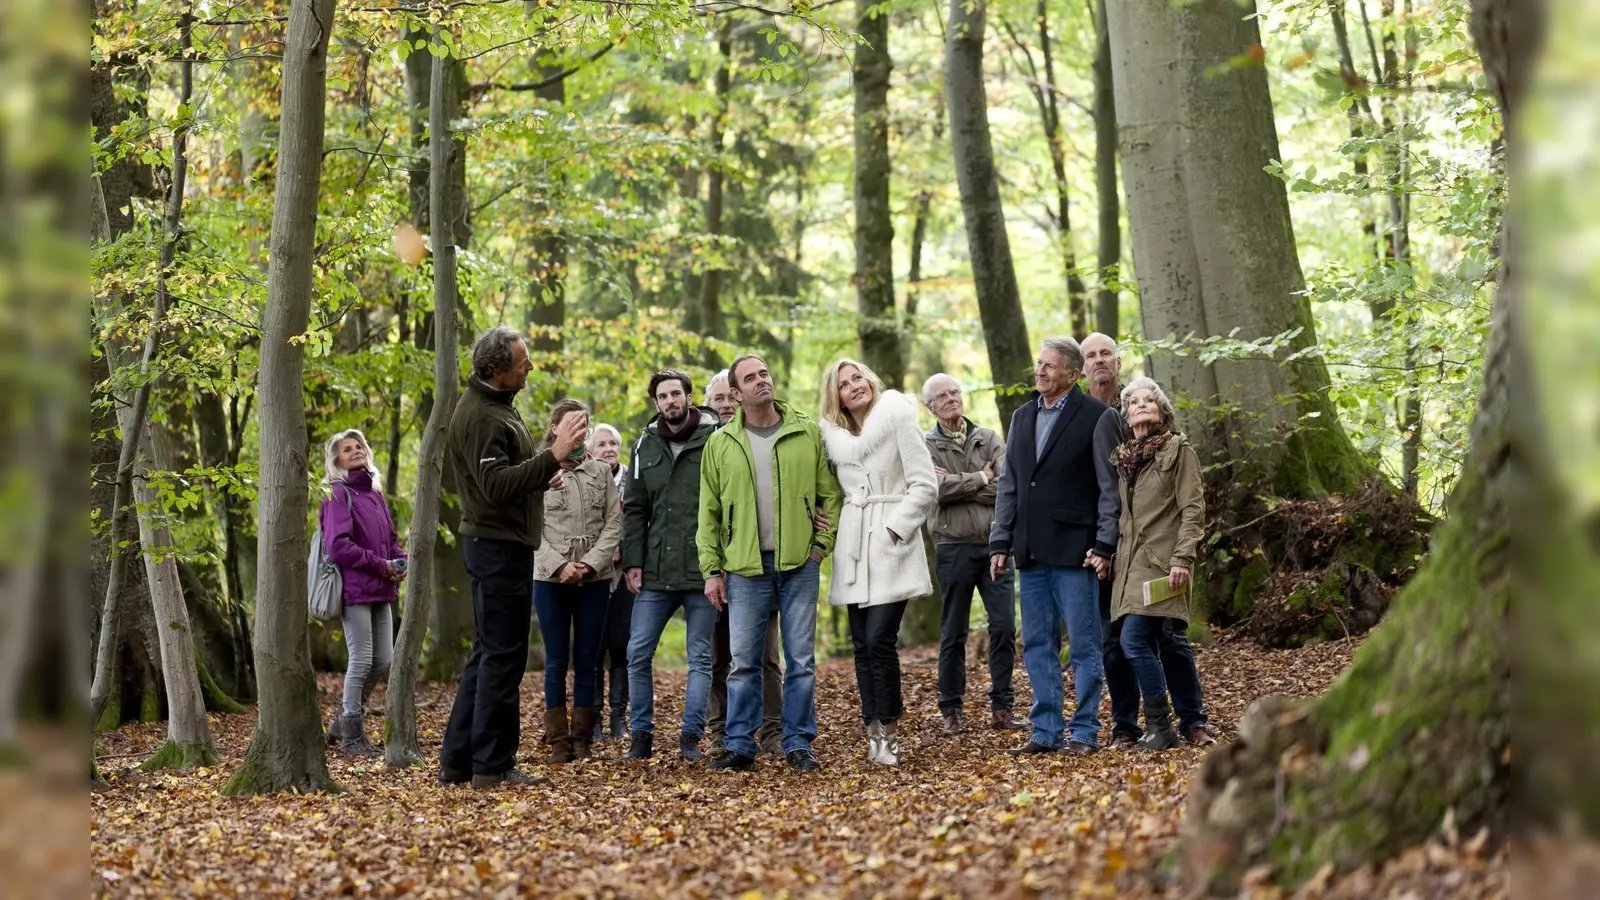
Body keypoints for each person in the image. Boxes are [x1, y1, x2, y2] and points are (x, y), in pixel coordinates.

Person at [440, 325, 585, 789]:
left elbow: (508, 477)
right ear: (498, 369)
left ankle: (459, 762)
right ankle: (493, 766)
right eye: (524, 362)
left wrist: (543, 473)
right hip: (496, 548)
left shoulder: (497, 405)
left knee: (488, 656)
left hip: (500, 543)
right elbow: (494, 487)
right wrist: (553, 454)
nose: (531, 367)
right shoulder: (483, 416)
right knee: (504, 659)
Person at [698, 354, 841, 772]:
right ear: (736, 394)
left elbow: (828, 495)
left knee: (800, 661)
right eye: (750, 378)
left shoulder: (805, 431)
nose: (762, 381)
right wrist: (711, 569)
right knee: (743, 662)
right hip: (744, 568)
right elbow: (707, 512)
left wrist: (820, 547)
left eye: (764, 373)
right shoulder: (720, 444)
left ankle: (797, 742)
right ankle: (740, 745)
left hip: (799, 563)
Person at [1083, 334, 1215, 749]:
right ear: (1126, 414)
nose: (1141, 405)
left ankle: (1173, 725)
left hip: (1164, 562)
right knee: (1141, 641)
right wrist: (1106, 555)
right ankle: (1164, 726)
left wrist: (1183, 558)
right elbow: (1122, 515)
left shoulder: (1178, 451)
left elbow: (1193, 510)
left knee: (1146, 640)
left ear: (1162, 410)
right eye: (1134, 402)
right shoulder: (1126, 461)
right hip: (1128, 565)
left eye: (1148, 400)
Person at [989, 337, 1112, 756]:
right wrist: (999, 542)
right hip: (1030, 550)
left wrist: (1105, 543)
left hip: (1077, 549)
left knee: (1083, 643)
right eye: (1038, 363)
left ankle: (1085, 731)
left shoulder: (1096, 416)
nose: (1040, 371)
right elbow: (1009, 485)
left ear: (1072, 375)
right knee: (1038, 644)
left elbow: (1107, 488)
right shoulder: (1022, 416)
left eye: (1050, 366)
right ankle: (1045, 731)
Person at [819, 359, 937, 766]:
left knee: (879, 640)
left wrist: (895, 529)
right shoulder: (834, 438)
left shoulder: (898, 417)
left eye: (858, 377)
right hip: (853, 543)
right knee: (861, 646)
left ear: (871, 379)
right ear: (835, 396)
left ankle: (889, 731)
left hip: (890, 541)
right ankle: (871, 731)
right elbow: (832, 491)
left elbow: (925, 482)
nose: (854, 386)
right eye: (844, 383)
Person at [621, 370, 721, 761]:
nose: (670, 401)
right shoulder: (643, 446)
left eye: (676, 393)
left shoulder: (715, 439)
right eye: (662, 396)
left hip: (702, 570)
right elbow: (634, 509)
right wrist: (633, 562)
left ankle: (690, 739)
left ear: (689, 396)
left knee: (700, 657)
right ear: (656, 403)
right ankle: (641, 737)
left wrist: (721, 565)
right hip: (655, 571)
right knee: (637, 652)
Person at [921, 374, 1021, 735]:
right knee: (953, 633)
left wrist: (961, 484)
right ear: (930, 407)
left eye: (955, 392)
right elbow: (935, 490)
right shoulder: (925, 445)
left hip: (996, 545)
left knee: (1004, 628)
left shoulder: (988, 437)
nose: (951, 399)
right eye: (942, 396)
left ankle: (1003, 707)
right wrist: (981, 478)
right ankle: (951, 709)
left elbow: (1010, 484)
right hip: (953, 548)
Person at [533, 399, 623, 764]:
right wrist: (559, 566)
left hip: (595, 579)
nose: (580, 432)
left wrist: (587, 564)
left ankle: (583, 737)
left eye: (585, 425)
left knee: (588, 659)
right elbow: (531, 529)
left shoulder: (601, 473)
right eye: (572, 424)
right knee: (556, 661)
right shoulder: (538, 472)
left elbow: (613, 524)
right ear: (555, 428)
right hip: (549, 580)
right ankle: (557, 740)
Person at [704, 367, 786, 758]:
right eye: (717, 398)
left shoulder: (754, 438)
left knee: (766, 655)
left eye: (729, 397)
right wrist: (710, 566)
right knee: (720, 657)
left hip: (754, 567)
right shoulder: (704, 445)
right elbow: (705, 513)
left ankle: (772, 731)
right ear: (708, 403)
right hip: (712, 569)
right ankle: (721, 732)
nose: (725, 404)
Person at [319, 428, 407, 757]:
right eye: (347, 449)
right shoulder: (336, 495)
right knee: (361, 659)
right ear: (336, 460)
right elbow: (339, 546)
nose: (355, 451)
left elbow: (391, 539)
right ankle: (352, 737)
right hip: (355, 589)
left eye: (359, 446)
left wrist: (400, 560)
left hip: (382, 586)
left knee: (383, 660)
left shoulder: (374, 494)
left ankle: (344, 721)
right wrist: (379, 564)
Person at [589, 422, 631, 742]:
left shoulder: (632, 480)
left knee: (622, 649)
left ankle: (619, 717)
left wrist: (625, 551)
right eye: (602, 444)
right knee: (593, 650)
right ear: (590, 450)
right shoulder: (584, 479)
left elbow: (643, 521)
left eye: (613, 444)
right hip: (592, 577)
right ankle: (593, 721)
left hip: (626, 577)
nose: (609, 449)